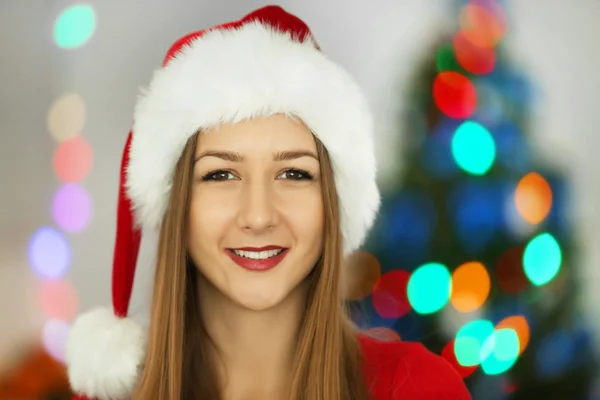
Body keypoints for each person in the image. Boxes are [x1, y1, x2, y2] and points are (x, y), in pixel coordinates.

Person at [65, 5, 471, 400]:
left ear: (331, 203)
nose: (258, 216)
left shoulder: (418, 389)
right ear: (176, 206)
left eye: (294, 174)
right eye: (220, 174)